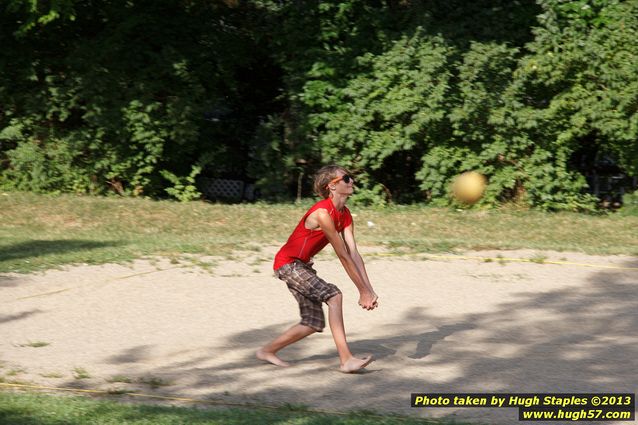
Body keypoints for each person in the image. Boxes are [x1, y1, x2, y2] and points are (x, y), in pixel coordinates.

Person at [257, 164, 379, 373]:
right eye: (347, 178)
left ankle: (267, 351)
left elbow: (354, 254)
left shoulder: (346, 214)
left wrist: (368, 289)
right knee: (334, 296)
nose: (352, 181)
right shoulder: (323, 213)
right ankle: (346, 360)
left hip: (301, 266)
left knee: (312, 322)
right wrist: (362, 291)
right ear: (332, 186)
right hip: (288, 264)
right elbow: (342, 255)